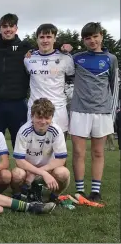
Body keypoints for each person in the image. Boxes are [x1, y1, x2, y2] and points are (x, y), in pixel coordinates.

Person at [0, 13, 73, 148]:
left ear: (16, 28)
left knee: (21, 144)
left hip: (18, 104)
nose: (8, 29)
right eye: (4, 26)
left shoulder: (25, 47)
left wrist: (61, 46)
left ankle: (22, 169)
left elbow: (45, 45)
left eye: (11, 26)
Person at [69, 22, 119, 201]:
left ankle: (96, 191)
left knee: (98, 152)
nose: (92, 41)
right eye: (88, 38)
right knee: (78, 152)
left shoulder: (111, 58)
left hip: (102, 112)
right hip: (79, 111)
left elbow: (114, 87)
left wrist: (112, 115)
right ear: (83, 40)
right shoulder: (76, 58)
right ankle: (80, 190)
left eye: (95, 36)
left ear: (102, 36)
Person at [11, 98, 70, 202]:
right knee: (17, 173)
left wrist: (40, 172)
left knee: (63, 173)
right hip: (27, 171)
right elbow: (19, 161)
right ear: (32, 116)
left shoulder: (56, 130)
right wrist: (38, 173)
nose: (43, 122)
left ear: (52, 117)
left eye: (47, 118)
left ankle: (53, 197)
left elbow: (61, 160)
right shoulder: (24, 131)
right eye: (39, 117)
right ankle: (18, 195)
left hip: (48, 170)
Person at [24, 23, 74, 136]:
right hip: (34, 109)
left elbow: (72, 78)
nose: (45, 40)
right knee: (34, 150)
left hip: (58, 109)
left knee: (59, 151)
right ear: (37, 39)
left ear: (55, 39)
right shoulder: (28, 58)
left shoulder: (66, 58)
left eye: (49, 37)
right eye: (42, 37)